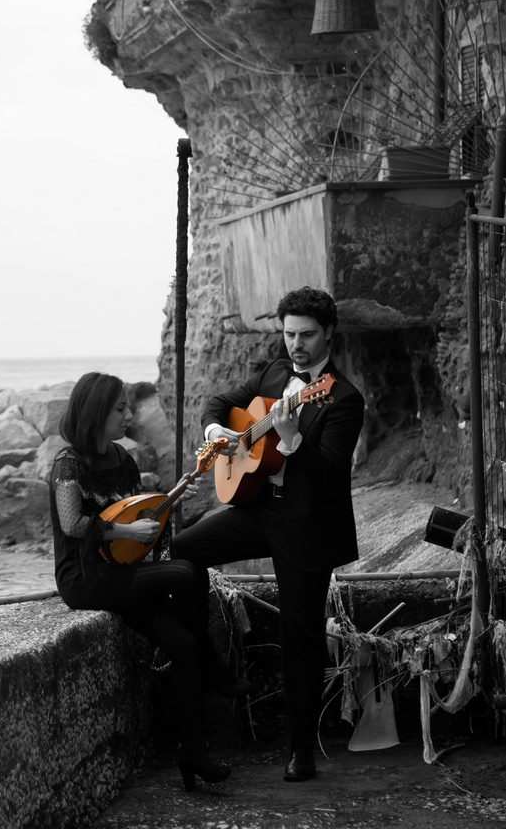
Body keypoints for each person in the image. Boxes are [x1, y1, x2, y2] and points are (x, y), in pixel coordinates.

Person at [172, 286, 365, 783]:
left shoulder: (343, 399)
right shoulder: (275, 372)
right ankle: (209, 658)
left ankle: (301, 750)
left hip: (307, 526)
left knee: (299, 638)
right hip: (260, 509)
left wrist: (290, 438)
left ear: (328, 334)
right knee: (184, 549)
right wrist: (219, 432)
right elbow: (221, 402)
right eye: (288, 334)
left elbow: (327, 473)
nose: (295, 344)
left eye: (305, 335)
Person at [49, 371, 252, 792]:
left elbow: (140, 520)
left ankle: (193, 753)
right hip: (85, 579)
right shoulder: (69, 463)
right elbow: (72, 524)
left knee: (181, 642)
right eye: (119, 408)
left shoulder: (123, 460)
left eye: (127, 407)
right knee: (185, 568)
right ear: (96, 413)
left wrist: (171, 505)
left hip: (123, 572)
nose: (128, 415)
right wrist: (127, 534)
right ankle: (216, 667)